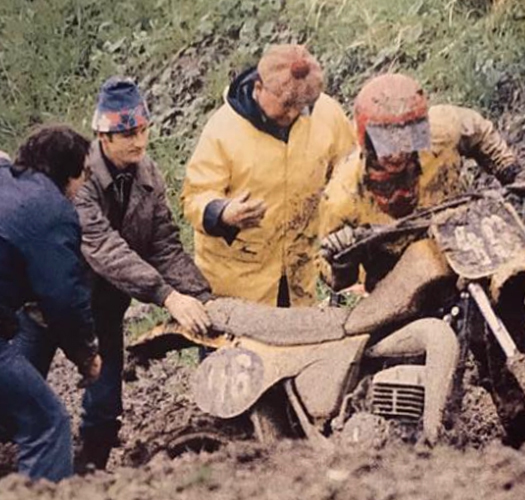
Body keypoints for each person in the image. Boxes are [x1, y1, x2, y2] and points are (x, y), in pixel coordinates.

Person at [318, 73, 525, 442]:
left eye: (410, 134)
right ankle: (414, 442)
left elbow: (477, 130)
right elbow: (332, 275)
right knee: (409, 381)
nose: (400, 151)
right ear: (366, 138)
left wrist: (511, 171)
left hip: (459, 253)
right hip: (398, 285)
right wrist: (339, 257)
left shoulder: (444, 131)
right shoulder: (342, 193)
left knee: (504, 327)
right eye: (389, 139)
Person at [14, 77, 213, 471]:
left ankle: (91, 477)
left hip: (102, 311)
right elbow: (102, 247)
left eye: (142, 130)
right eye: (126, 134)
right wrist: (167, 297)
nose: (138, 141)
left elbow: (163, 245)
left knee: (105, 409)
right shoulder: (76, 174)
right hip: (45, 307)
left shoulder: (148, 176)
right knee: (14, 401)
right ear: (103, 136)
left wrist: (201, 296)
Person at [182, 44, 357, 307]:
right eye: (285, 106)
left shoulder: (327, 115)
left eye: (302, 107)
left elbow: (349, 173)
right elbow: (194, 198)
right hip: (236, 280)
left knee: (292, 343)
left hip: (298, 273)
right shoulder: (223, 130)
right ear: (258, 87)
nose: (292, 114)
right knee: (236, 348)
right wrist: (223, 213)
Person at [0, 129, 101, 482]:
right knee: (47, 424)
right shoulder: (52, 211)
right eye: (84, 175)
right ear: (67, 173)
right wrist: (86, 356)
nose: (83, 186)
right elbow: (62, 299)